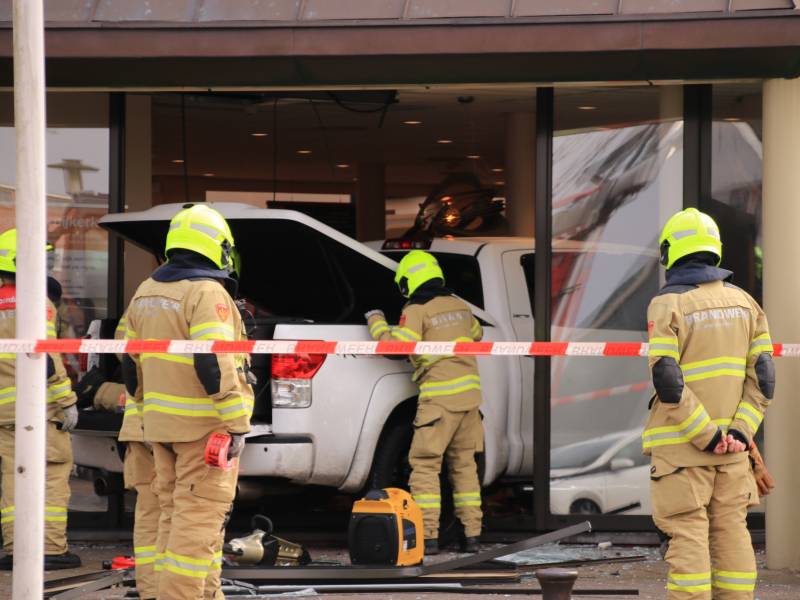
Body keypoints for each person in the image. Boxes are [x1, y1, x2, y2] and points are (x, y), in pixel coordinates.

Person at [123, 204, 253, 600]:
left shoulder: (146, 292)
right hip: (204, 431)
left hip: (161, 429)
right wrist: (236, 423)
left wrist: (146, 413)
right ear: (216, 246)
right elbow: (212, 359)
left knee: (173, 524)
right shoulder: (206, 292)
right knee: (195, 531)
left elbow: (131, 364)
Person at [645, 208, 773, 599]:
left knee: (688, 543)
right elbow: (764, 381)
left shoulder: (668, 305)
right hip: (734, 455)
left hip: (685, 453)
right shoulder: (746, 304)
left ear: (670, 252)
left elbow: (668, 381)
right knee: (733, 538)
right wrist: (738, 433)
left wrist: (707, 435)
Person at [366, 250, 484, 555]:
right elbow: (477, 334)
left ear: (409, 280)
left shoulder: (417, 309)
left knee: (425, 466)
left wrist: (376, 321)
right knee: (464, 467)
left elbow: (397, 346)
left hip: (439, 401)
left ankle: (428, 537)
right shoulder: (460, 306)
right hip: (470, 401)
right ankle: (472, 536)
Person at [0, 228, 81, 570]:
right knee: (52, 471)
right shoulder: (36, 302)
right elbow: (46, 356)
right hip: (38, 408)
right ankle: (47, 550)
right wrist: (67, 400)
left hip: (3, 413)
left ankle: (16, 549)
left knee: (12, 477)